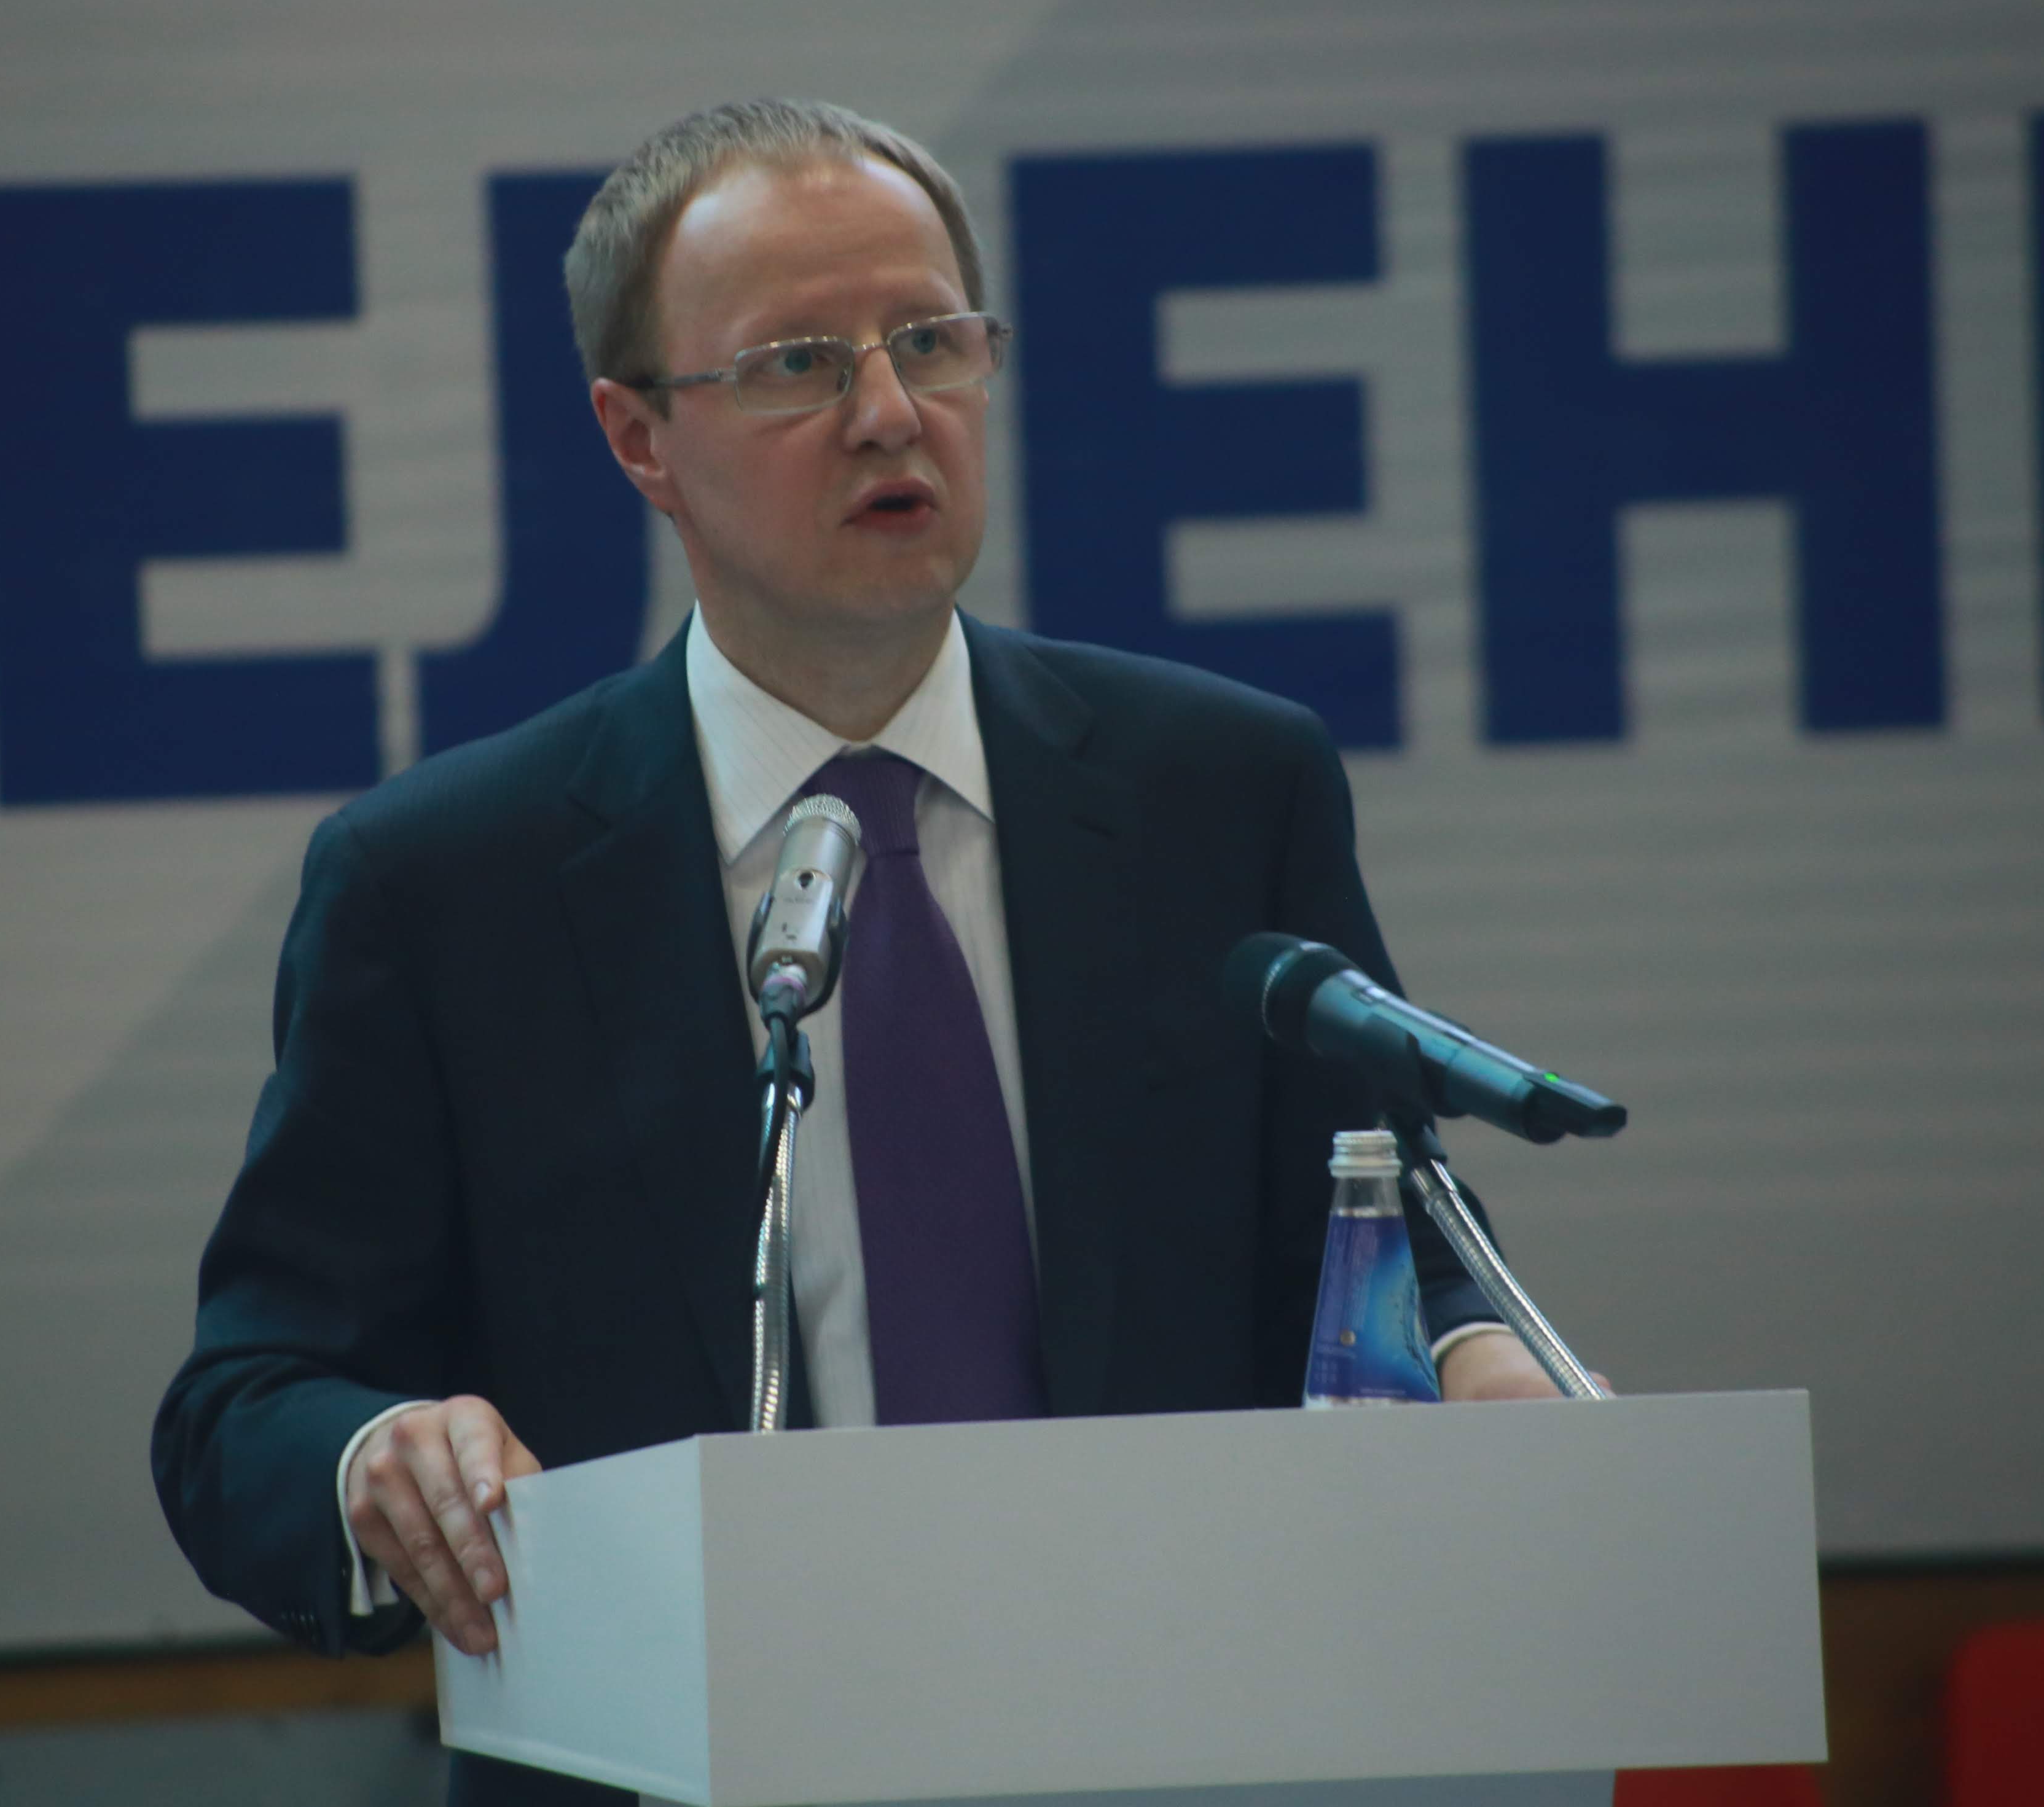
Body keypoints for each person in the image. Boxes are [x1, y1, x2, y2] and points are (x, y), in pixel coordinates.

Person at [152, 98, 1565, 1801]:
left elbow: (1386, 1235)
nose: (890, 412)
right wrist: (379, 1452)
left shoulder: (1219, 792)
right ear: (638, 436)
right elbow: (246, 1403)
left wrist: (1477, 1359)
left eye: (932, 343)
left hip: (1184, 1749)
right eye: (799, 364)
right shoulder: (447, 884)